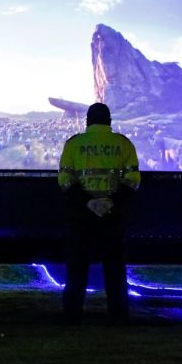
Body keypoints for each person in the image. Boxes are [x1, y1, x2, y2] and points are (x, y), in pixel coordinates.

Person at [57, 103, 141, 325]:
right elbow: (133, 180)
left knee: (77, 269)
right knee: (114, 270)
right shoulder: (124, 144)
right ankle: (119, 317)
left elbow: (65, 180)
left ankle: (72, 316)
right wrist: (110, 201)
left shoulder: (73, 144)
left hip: (81, 217)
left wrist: (89, 202)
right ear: (109, 121)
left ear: (87, 121)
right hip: (113, 216)